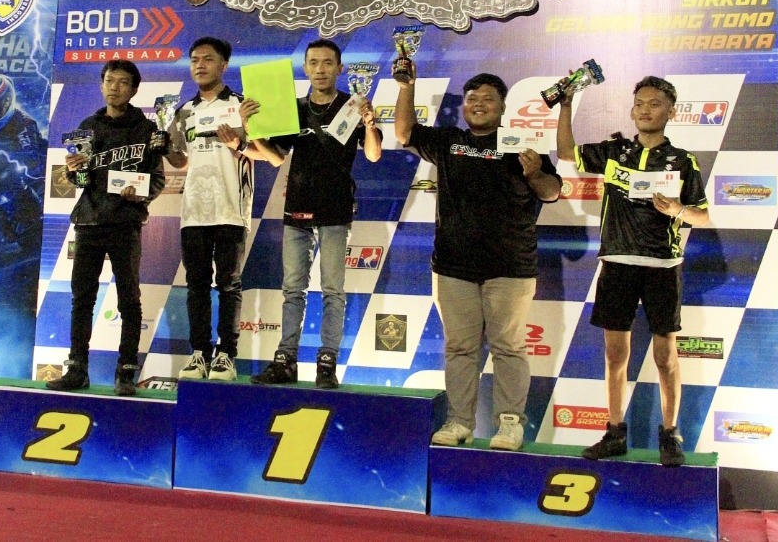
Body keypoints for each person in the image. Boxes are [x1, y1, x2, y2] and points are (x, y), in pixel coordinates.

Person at [394, 62, 561, 452]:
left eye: (488, 99)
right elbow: (404, 132)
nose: (479, 104)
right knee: (459, 349)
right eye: (472, 99)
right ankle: (459, 422)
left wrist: (535, 173)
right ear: (464, 107)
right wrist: (406, 86)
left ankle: (510, 425)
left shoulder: (522, 144)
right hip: (453, 267)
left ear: (503, 108)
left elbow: (552, 192)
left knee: (509, 348)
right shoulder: (450, 141)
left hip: (510, 268)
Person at [556, 74, 709, 466]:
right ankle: (614, 432)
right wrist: (566, 105)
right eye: (639, 103)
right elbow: (566, 152)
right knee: (614, 355)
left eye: (655, 104)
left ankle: (670, 435)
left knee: (666, 358)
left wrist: (678, 210)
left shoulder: (683, 161)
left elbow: (703, 217)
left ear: (671, 112)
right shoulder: (614, 151)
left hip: (663, 266)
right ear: (631, 110)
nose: (645, 110)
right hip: (617, 264)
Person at [245, 38, 382, 388]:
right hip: (297, 209)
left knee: (333, 289)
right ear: (305, 68)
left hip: (335, 210)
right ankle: (285, 360)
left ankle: (327, 361)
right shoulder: (293, 109)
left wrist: (369, 124)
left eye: (327, 63)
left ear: (340, 68)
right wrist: (252, 130)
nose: (320, 69)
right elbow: (275, 158)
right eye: (314, 63)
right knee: (293, 289)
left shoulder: (354, 106)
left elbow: (373, 155)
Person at [47, 60, 166, 396]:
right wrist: (74, 171)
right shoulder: (87, 127)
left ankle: (126, 371)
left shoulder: (147, 130)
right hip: (89, 221)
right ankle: (77, 369)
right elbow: (82, 182)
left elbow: (157, 180)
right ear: (101, 85)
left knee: (129, 299)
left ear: (134, 89)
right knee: (82, 298)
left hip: (125, 222)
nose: (115, 87)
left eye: (123, 82)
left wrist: (139, 192)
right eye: (109, 80)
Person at [167, 37, 256, 382]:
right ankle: (199, 354)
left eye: (207, 59)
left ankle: (226, 356)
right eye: (194, 60)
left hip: (231, 207)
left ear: (223, 65)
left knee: (229, 285)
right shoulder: (183, 112)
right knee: (196, 285)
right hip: (194, 211)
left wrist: (241, 138)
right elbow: (181, 160)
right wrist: (164, 145)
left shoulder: (242, 105)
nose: (200, 65)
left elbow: (264, 151)